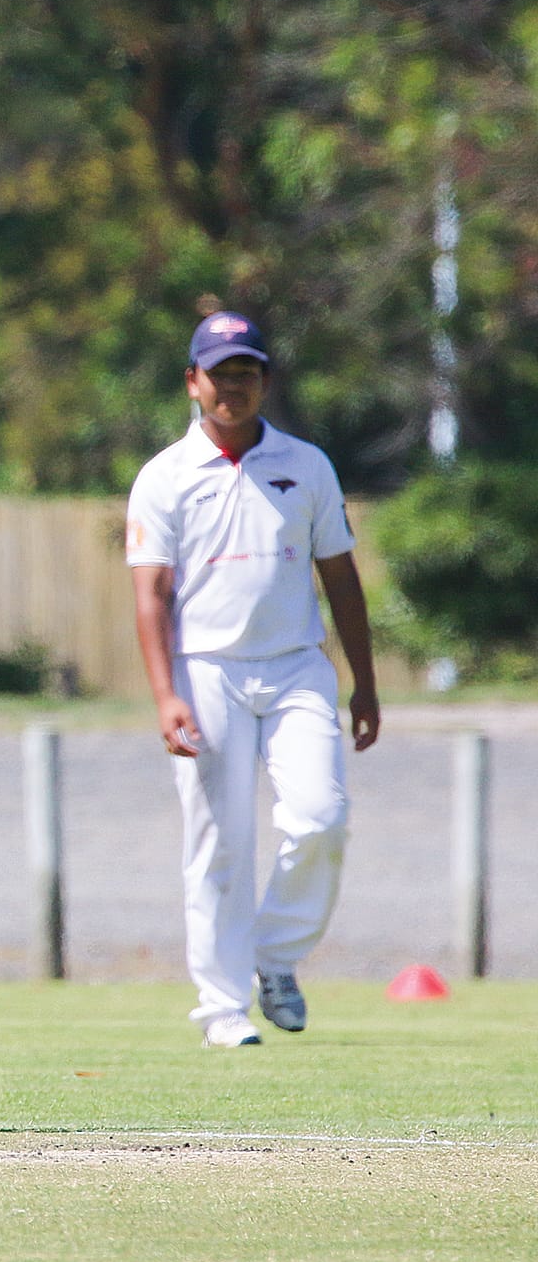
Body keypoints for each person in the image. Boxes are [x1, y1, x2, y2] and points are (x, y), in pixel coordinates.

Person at [126, 310, 380, 1047]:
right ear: (193, 382)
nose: (232, 385)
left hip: (298, 665)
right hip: (205, 669)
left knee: (320, 817)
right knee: (220, 841)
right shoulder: (165, 478)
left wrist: (364, 682)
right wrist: (165, 693)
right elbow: (150, 595)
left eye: (246, 371)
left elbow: (342, 576)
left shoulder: (307, 465)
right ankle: (222, 1007)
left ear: (264, 380)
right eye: (220, 372)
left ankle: (274, 955)